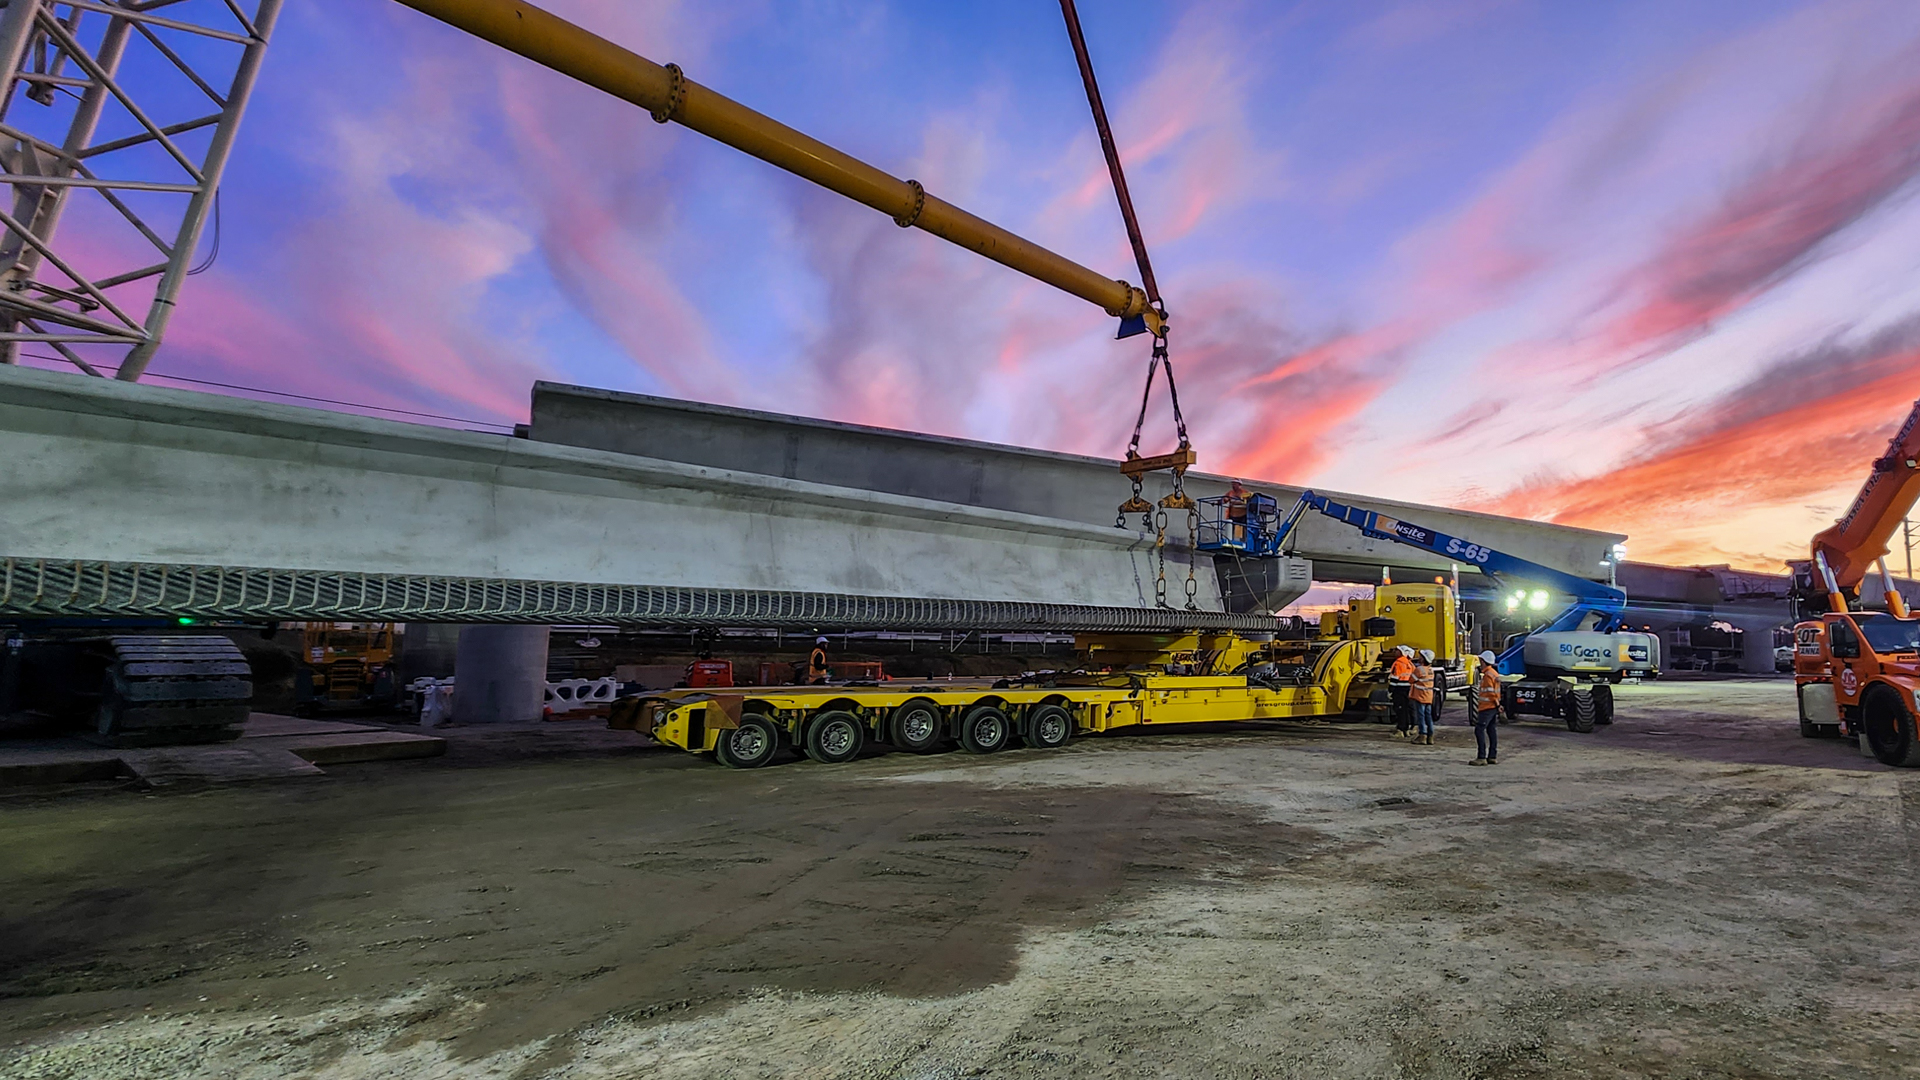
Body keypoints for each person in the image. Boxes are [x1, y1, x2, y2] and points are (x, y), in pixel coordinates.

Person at [1471, 650, 1502, 765]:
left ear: (1484, 661)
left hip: (1487, 707)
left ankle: (1481, 757)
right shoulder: (1493, 673)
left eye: (1481, 660)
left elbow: (1490, 692)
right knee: (1491, 730)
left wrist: (1497, 705)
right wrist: (1498, 704)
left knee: (1479, 730)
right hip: (1492, 706)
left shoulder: (1488, 675)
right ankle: (1492, 756)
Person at [1410, 649, 1436, 745]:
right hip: (1428, 697)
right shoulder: (1430, 670)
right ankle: (1430, 736)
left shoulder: (1419, 669)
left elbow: (1411, 680)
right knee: (1428, 716)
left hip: (1420, 697)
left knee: (1421, 716)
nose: (1419, 657)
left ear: (1424, 659)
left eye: (1421, 656)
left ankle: (1422, 735)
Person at [1388, 645, 1414, 737]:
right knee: (1405, 710)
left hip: (1399, 689)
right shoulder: (1409, 663)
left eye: (1397, 650)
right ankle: (1406, 729)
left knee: (1399, 710)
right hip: (1408, 689)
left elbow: (1395, 678)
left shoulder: (1398, 663)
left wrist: (1390, 690)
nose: (1395, 652)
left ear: (1401, 652)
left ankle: (1400, 730)